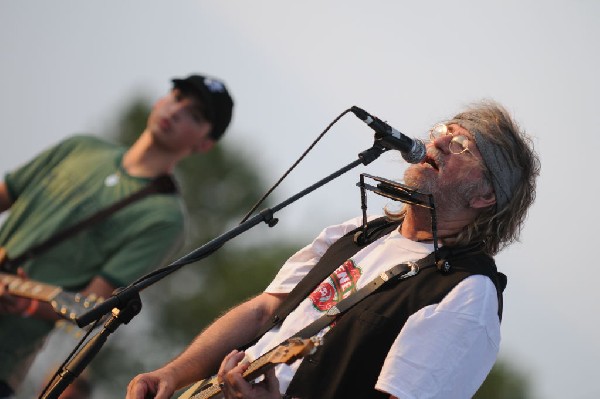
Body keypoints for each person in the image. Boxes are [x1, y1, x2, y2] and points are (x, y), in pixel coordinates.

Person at [126, 100, 540, 399]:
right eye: (441, 134)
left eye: (462, 147)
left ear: (486, 195)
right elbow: (263, 310)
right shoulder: (359, 232)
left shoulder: (466, 295)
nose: (435, 146)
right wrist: (173, 374)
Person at [0, 73, 234, 398]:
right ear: (160, 101)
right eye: (177, 97)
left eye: (195, 115)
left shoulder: (164, 218)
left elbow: (91, 305)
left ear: (204, 144)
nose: (177, 111)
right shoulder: (80, 147)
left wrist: (23, 305)